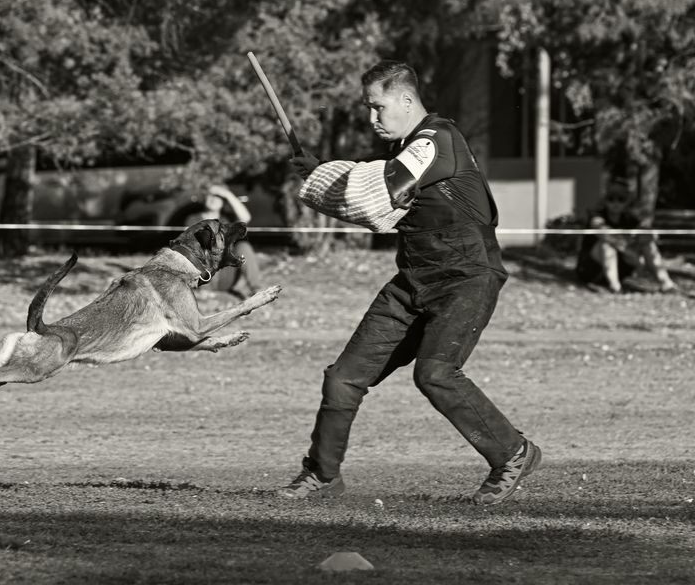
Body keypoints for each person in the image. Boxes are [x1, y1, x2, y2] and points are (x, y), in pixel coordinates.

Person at [279, 60, 540, 505]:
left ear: (406, 100)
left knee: (436, 372)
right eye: (368, 108)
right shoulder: (408, 152)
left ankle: (513, 453)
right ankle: (322, 474)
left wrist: (321, 176)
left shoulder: (436, 139)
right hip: (414, 281)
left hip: (467, 278)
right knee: (343, 379)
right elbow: (377, 199)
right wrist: (319, 171)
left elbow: (374, 198)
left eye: (378, 107)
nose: (372, 117)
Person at [575, 179, 677, 293]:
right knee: (606, 246)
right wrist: (628, 251)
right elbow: (603, 232)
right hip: (591, 270)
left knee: (648, 245)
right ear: (605, 200)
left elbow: (648, 234)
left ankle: (666, 283)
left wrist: (644, 241)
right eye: (611, 198)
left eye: (621, 199)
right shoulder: (597, 215)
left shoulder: (630, 218)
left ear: (627, 202)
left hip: (622, 265)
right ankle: (615, 287)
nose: (616, 203)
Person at [190, 185, 264, 297]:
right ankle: (202, 289)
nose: (213, 199)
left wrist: (227, 194)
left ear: (223, 202)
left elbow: (246, 218)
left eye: (218, 196)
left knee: (243, 246)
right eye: (211, 195)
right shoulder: (193, 219)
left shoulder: (227, 221)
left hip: (226, 276)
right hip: (204, 276)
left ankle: (256, 290)